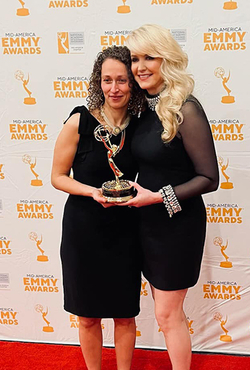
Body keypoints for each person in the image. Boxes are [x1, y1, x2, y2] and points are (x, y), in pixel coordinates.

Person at [123, 24, 219, 370]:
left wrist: (159, 198)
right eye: (135, 58)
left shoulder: (186, 109)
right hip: (146, 224)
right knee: (164, 311)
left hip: (178, 227)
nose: (140, 66)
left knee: (167, 314)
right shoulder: (145, 109)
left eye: (150, 56)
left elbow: (210, 177)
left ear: (168, 59)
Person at [51, 46, 145, 370]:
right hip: (83, 233)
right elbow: (57, 177)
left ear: (133, 83)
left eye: (121, 80)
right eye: (107, 80)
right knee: (88, 317)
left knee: (124, 314)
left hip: (126, 233)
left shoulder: (142, 126)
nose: (114, 88)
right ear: (98, 82)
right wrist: (92, 192)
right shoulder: (79, 120)